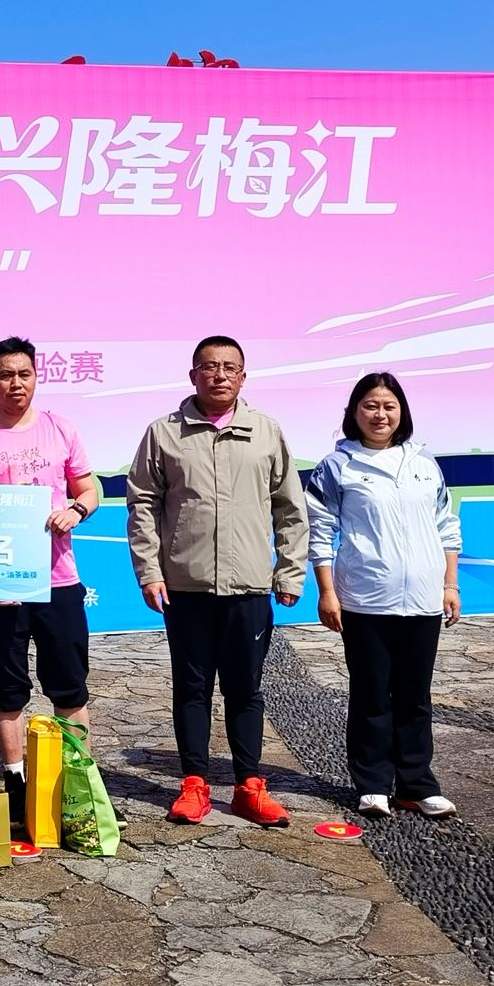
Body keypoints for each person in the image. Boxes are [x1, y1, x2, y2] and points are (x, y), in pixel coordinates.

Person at [127, 336, 307, 827]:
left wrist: (290, 570)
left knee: (246, 689)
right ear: (193, 376)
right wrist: (150, 571)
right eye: (209, 367)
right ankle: (194, 785)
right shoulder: (164, 433)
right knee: (192, 688)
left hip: (248, 586)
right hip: (186, 588)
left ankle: (250, 786)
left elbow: (290, 508)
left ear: (243, 376)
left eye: (230, 367)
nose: (219, 375)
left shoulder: (265, 431)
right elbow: (142, 506)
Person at [0, 337, 101, 827]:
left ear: (36, 377)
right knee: (7, 689)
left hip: (59, 581)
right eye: (6, 375)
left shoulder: (60, 428)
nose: (16, 384)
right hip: (0, 588)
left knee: (70, 687)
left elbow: (89, 488)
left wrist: (76, 509)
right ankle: (16, 784)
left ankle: (78, 783)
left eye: (24, 374)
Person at [307, 373, 463, 819]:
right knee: (371, 694)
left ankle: (416, 784)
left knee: (414, 696)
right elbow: (320, 532)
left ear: (402, 412)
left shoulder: (424, 462)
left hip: (423, 599)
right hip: (365, 598)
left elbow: (446, 525)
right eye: (370, 406)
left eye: (389, 406)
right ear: (354, 412)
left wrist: (449, 584)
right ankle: (373, 784)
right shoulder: (337, 466)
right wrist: (327, 592)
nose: (380, 414)